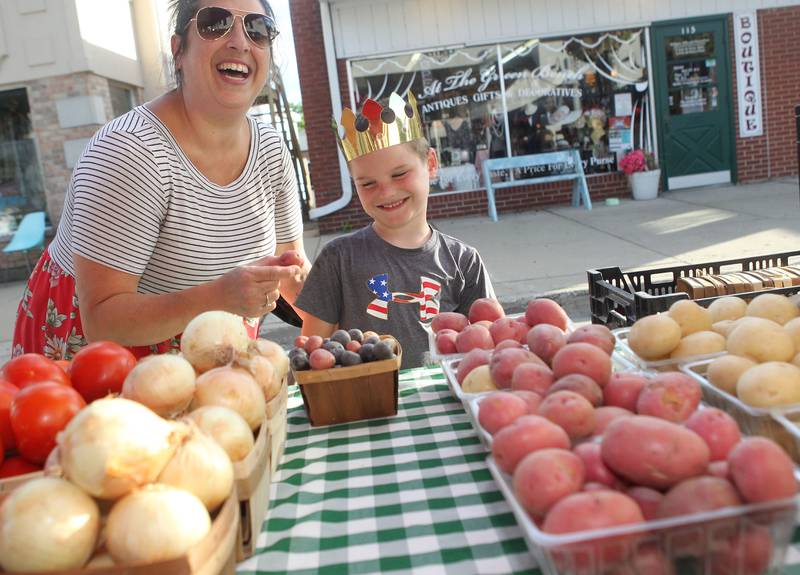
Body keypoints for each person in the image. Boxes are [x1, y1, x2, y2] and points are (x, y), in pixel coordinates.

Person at [12, 0, 309, 360]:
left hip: (204, 345)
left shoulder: (272, 152)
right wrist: (218, 297)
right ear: (178, 50)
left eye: (258, 29)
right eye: (215, 24)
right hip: (96, 354)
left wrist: (348, 321)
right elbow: (103, 320)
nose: (240, 42)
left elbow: (290, 270)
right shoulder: (130, 152)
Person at [295, 92, 495, 368]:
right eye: (367, 183)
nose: (386, 191)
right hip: (363, 405)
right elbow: (312, 358)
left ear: (432, 164)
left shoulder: (464, 262)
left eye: (399, 174)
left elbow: (487, 346)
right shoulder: (337, 260)